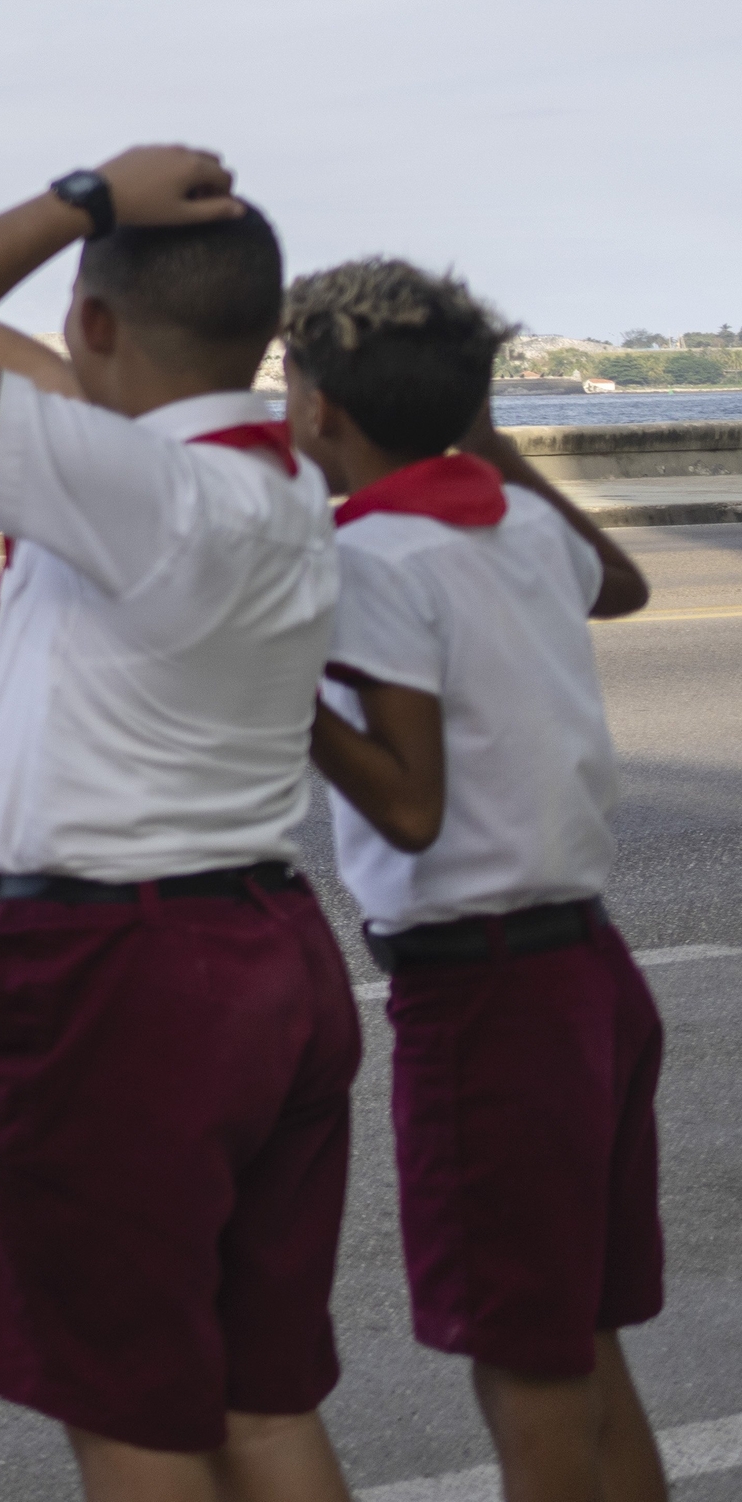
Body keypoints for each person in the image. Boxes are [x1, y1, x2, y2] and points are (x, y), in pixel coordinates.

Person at [0, 151, 355, 1497]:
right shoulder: (267, 480)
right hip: (266, 943)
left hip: (122, 979)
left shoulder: (143, 493)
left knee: (132, 1412)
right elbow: (55, 389)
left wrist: (81, 198)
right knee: (255, 1397)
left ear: (93, 321)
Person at [282, 261, 669, 1502]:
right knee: (582, 1343)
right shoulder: (518, 523)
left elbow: (405, 798)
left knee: (526, 1364)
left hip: (487, 1000)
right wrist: (493, 444)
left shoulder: (376, 557)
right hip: (585, 971)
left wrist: (284, 686)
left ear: (319, 410)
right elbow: (623, 583)